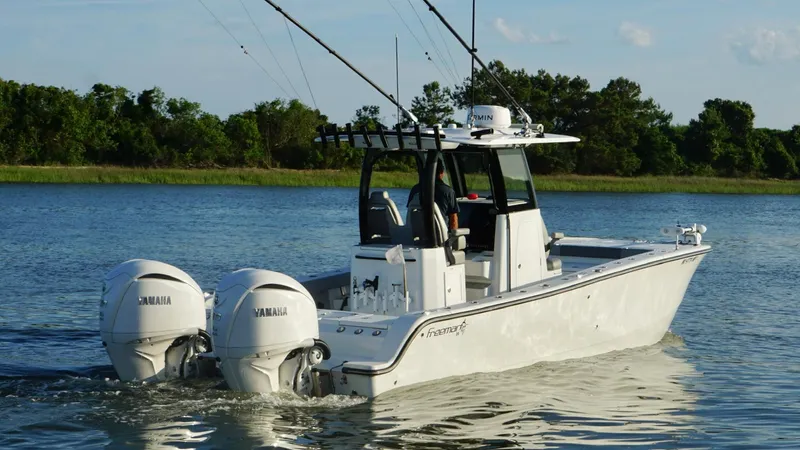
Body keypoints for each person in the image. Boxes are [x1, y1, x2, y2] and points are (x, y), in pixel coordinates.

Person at [407, 162, 459, 230]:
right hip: (441, 236)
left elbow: (410, 214)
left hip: (418, 234)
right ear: (441, 172)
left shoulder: (415, 189)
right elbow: (453, 220)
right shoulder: (448, 191)